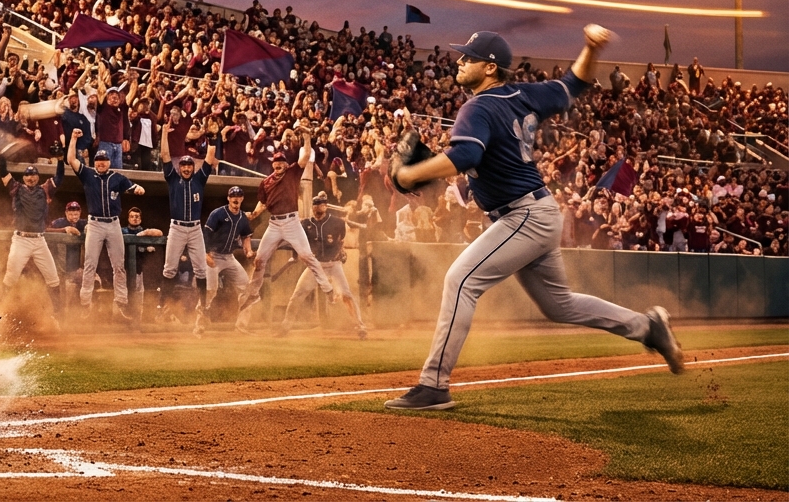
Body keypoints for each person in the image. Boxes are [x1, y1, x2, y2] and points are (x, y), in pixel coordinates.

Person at [384, 27, 684, 411]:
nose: (460, 61)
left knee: (460, 281)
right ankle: (647, 327)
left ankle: (434, 385)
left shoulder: (476, 107)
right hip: (534, 213)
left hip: (523, 215)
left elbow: (465, 158)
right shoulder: (524, 94)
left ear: (490, 68)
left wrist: (409, 174)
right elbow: (573, 83)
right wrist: (591, 48)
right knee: (560, 306)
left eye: (468, 57)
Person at [238, 134, 336, 332]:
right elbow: (263, 202)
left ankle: (328, 289)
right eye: (276, 163)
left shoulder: (292, 172)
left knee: (307, 256)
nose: (279, 165)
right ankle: (253, 294)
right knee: (260, 260)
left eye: (282, 162)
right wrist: (256, 213)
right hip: (274, 224)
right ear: (272, 165)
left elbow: (306, 155)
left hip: (292, 221)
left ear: (285, 164)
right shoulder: (266, 182)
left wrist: (307, 138)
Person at [66, 126, 146, 320]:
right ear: (95, 162)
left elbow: (133, 186)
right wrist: (73, 139)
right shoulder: (88, 174)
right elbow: (71, 160)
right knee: (90, 264)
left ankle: (121, 303)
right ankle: (85, 303)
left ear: (109, 162)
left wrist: (138, 188)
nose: (101, 163)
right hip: (95, 224)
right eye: (98, 161)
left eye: (104, 160)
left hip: (113, 224)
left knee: (119, 265)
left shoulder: (116, 177)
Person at [278, 191, 367, 339]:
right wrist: (298, 255)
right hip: (315, 266)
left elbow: (341, 240)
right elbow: (298, 242)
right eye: (316, 205)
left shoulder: (337, 222)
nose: (319, 207)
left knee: (346, 294)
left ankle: (360, 326)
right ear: (312, 207)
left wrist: (340, 251)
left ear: (326, 207)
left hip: (334, 264)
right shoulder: (305, 224)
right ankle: (285, 326)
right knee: (298, 294)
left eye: (322, 205)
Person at [157, 131, 219, 333]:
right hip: (176, 227)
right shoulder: (172, 178)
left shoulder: (199, 180)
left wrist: (212, 137)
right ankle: (161, 305)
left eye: (188, 165)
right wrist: (164, 133)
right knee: (169, 269)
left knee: (201, 270)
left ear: (193, 167)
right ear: (179, 167)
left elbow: (209, 157)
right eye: (183, 165)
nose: (185, 168)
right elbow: (165, 156)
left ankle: (203, 307)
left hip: (194, 228)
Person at [0, 157, 66, 325]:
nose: (31, 178)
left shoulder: (45, 189)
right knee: (10, 278)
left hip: (39, 241)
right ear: (24, 177)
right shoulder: (17, 188)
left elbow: (60, 178)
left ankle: (58, 315)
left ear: (38, 176)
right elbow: (3, 172)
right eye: (28, 175)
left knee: (53, 278)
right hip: (21, 239)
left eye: (34, 175)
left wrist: (61, 161)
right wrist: (2, 155)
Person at [202, 186, 253, 316]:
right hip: (214, 255)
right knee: (210, 290)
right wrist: (206, 253)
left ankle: (241, 325)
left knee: (246, 287)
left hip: (229, 257)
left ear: (242, 198)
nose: (235, 198)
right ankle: (199, 325)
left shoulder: (242, 217)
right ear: (228, 198)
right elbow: (206, 233)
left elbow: (246, 235)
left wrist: (249, 251)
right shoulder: (218, 213)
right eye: (233, 196)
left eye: (238, 196)